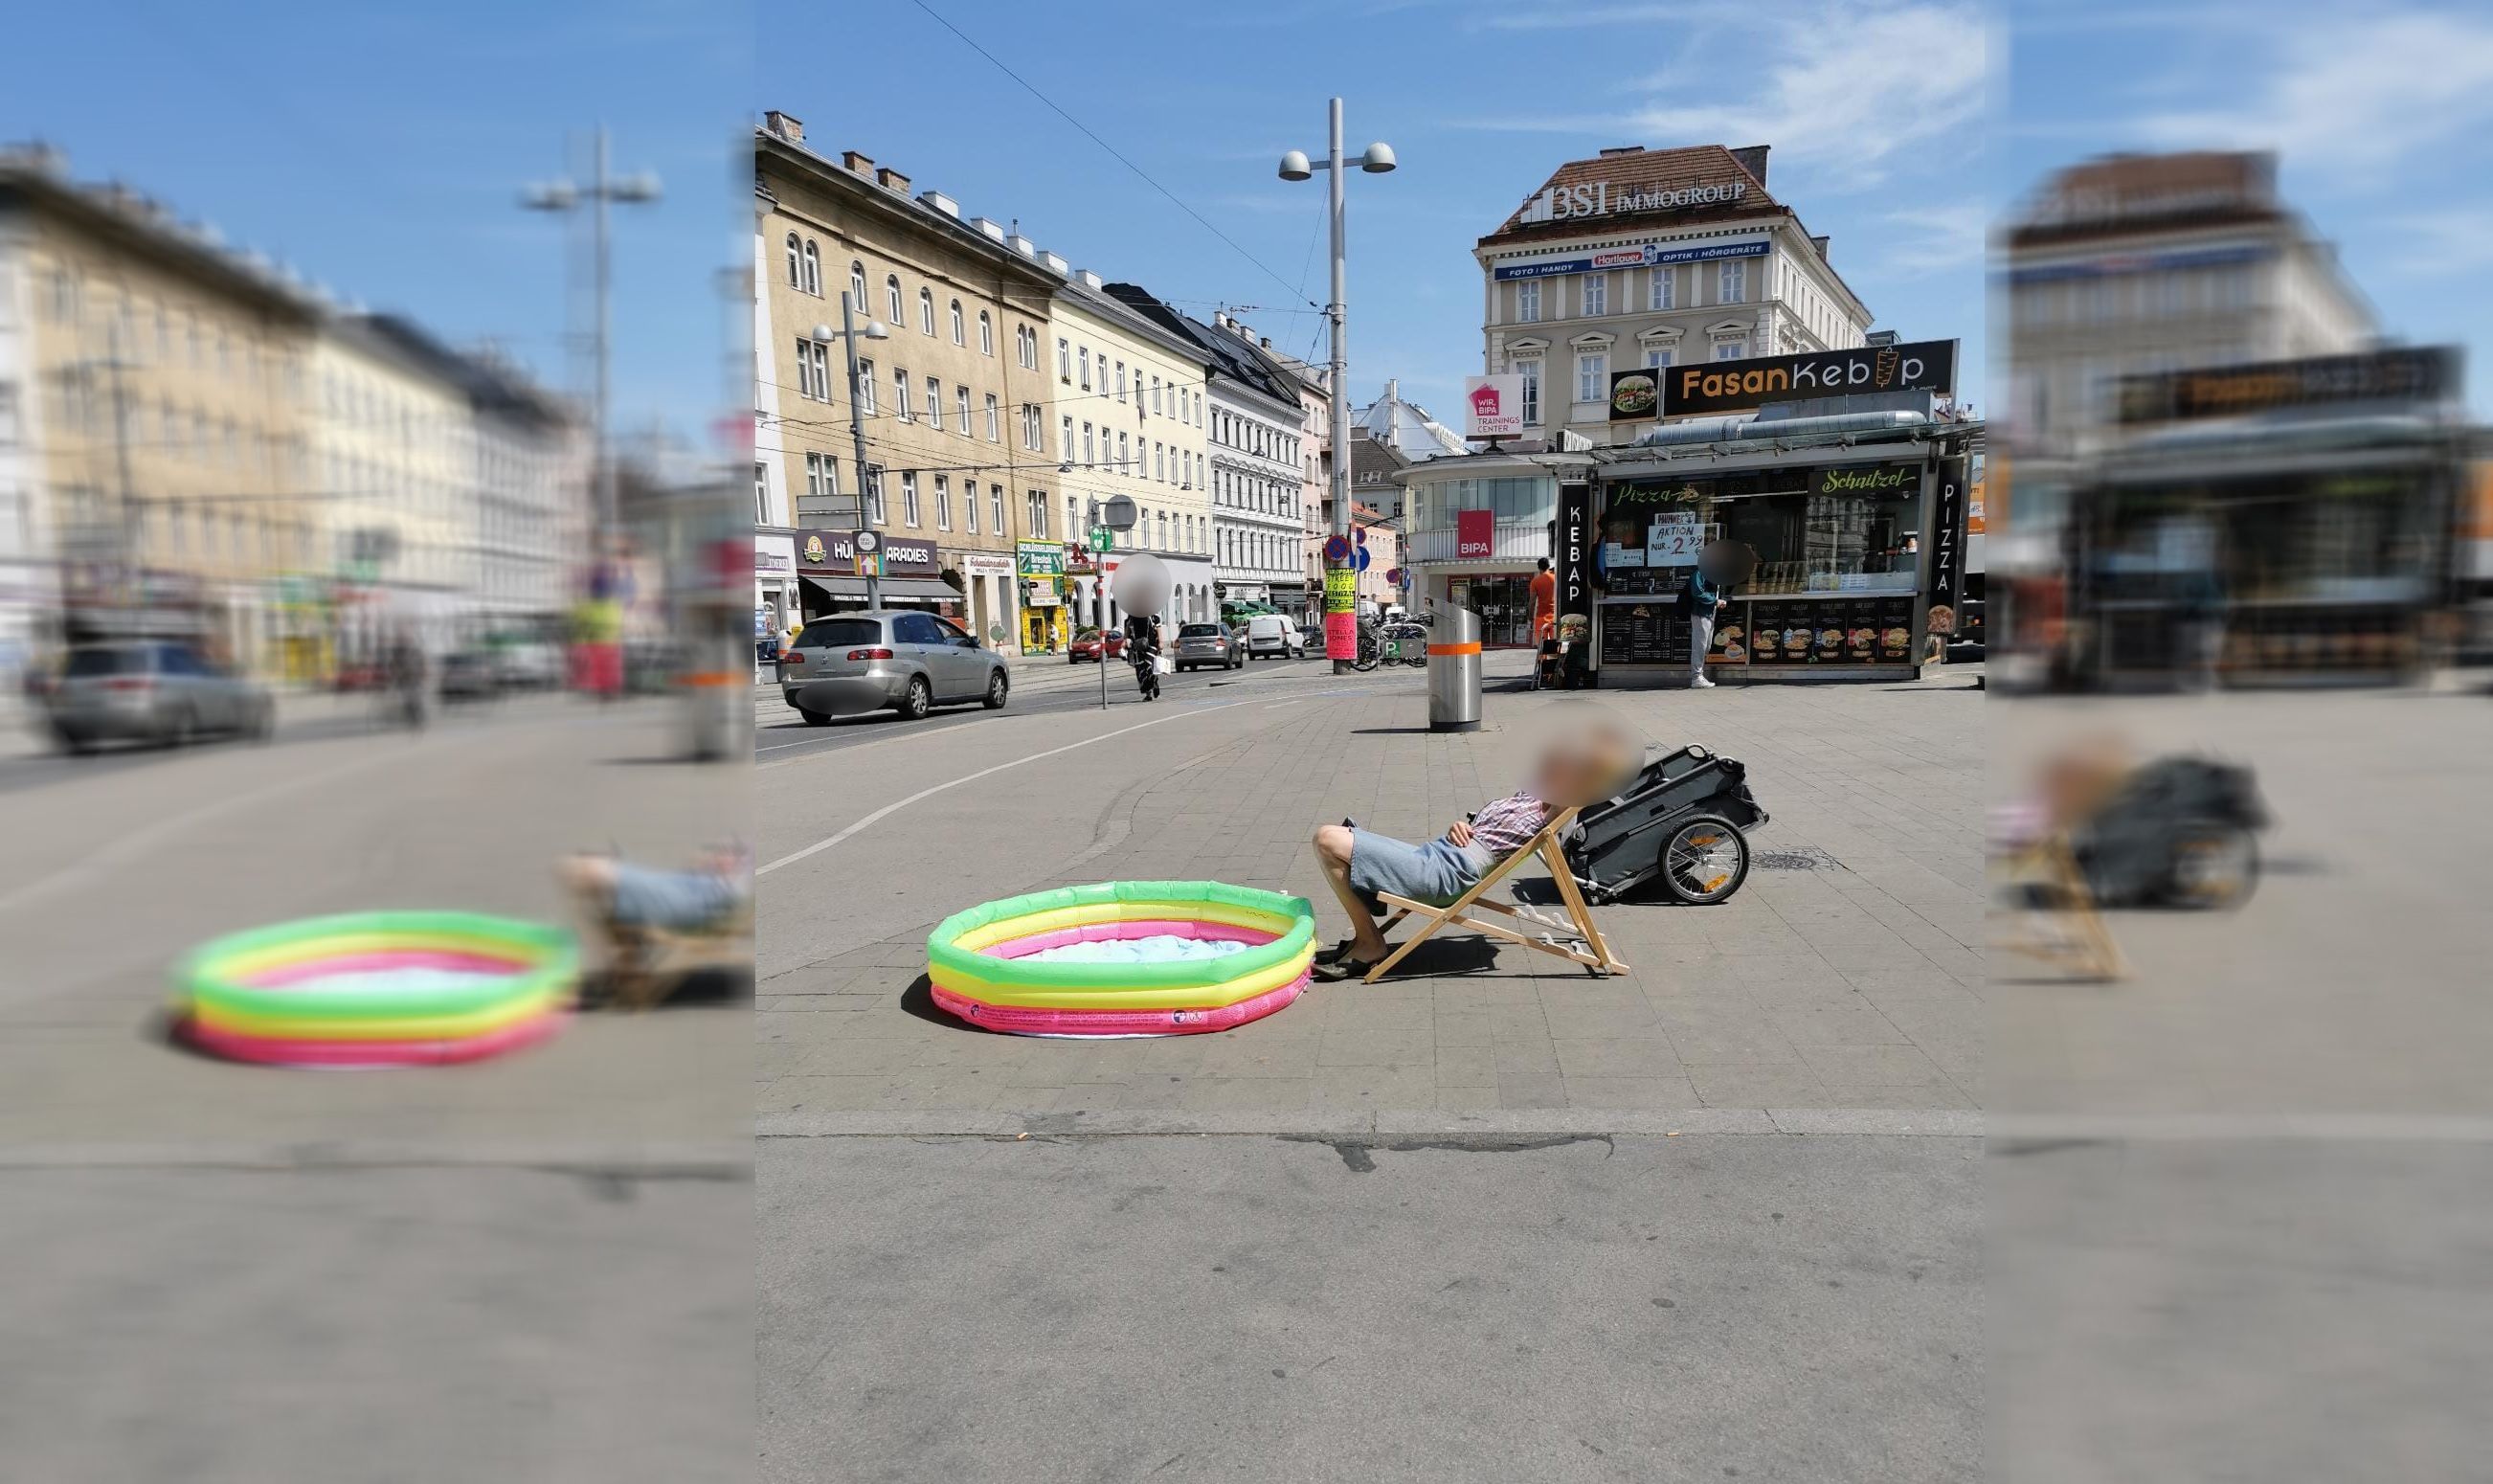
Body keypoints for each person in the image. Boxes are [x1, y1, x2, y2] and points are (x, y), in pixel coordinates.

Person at [1307, 715, 1637, 981]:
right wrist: (1462, 824)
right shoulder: (1529, 795)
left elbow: (1594, 772)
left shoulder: (1555, 808)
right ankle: (1368, 935)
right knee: (1339, 833)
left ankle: (1370, 942)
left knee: (1327, 839)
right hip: (1435, 855)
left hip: (1445, 875)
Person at [1683, 562, 1730, 689]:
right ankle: (1696, 677)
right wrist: (1715, 601)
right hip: (1700, 613)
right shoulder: (1700, 573)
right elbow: (1697, 592)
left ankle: (1699, 675)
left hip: (1709, 612)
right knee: (1700, 646)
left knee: (1706, 646)